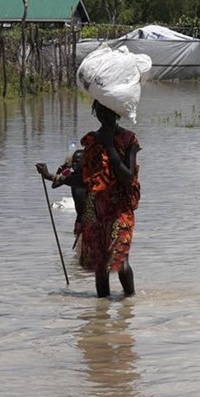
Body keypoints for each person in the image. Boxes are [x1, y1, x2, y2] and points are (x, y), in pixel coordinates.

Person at [79, 100, 141, 298]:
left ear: (117, 113)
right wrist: (54, 177)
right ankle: (101, 313)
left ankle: (129, 305)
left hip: (121, 209)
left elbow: (127, 177)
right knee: (100, 265)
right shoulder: (91, 141)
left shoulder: (128, 139)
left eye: (109, 113)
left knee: (120, 260)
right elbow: (85, 179)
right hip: (97, 209)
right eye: (100, 112)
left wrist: (109, 146)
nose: (104, 117)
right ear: (95, 113)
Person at [36, 149, 87, 245]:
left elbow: (60, 180)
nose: (75, 164)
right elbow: (55, 184)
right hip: (79, 220)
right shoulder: (70, 175)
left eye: (78, 162)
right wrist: (62, 167)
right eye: (73, 162)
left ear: (85, 162)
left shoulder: (88, 178)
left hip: (91, 221)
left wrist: (48, 175)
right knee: (79, 251)